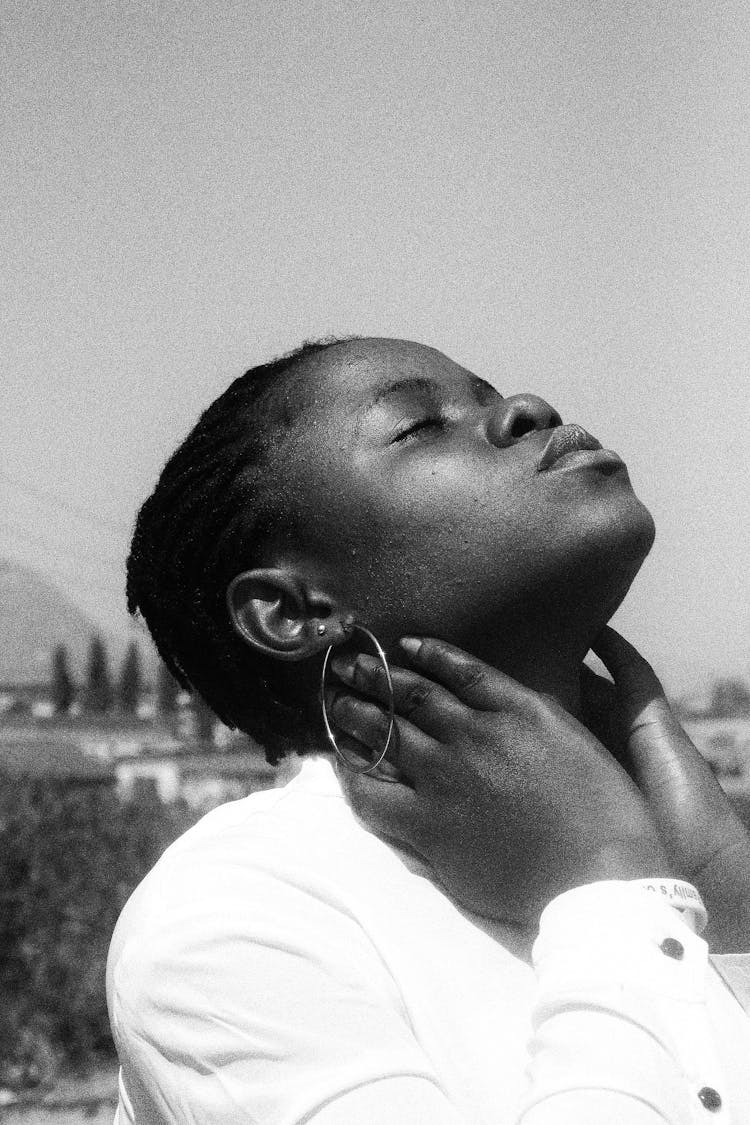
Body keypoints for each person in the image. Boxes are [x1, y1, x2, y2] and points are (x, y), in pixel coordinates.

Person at [107, 336, 750, 1124]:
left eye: (487, 393)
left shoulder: (694, 864)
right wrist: (609, 888)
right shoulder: (230, 918)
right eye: (418, 425)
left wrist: (727, 906)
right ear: (293, 610)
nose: (526, 408)